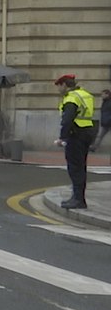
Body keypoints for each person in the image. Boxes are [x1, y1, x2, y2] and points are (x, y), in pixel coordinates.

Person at [54, 74, 97, 209]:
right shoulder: (85, 94)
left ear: (64, 85)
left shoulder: (71, 98)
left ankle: (78, 199)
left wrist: (62, 138)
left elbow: (67, 120)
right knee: (81, 166)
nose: (58, 89)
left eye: (59, 86)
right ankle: (78, 197)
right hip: (88, 131)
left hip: (76, 133)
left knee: (75, 167)